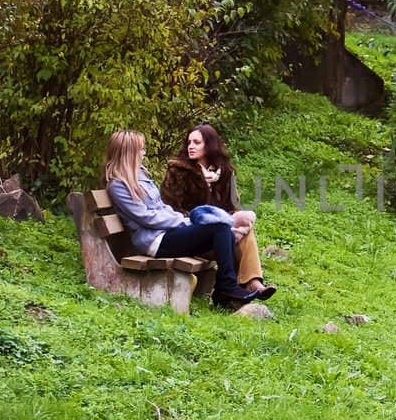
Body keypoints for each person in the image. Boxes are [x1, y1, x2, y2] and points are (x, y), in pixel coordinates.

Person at [102, 130, 257, 311]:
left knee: (224, 231)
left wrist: (182, 219)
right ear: (129, 153)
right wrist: (183, 222)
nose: (143, 153)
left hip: (168, 233)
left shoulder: (140, 176)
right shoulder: (118, 185)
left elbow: (161, 207)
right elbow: (145, 217)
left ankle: (225, 292)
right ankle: (227, 290)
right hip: (155, 241)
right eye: (140, 150)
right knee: (220, 228)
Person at [161, 124, 275, 301]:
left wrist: (232, 221)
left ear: (210, 145)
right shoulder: (179, 171)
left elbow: (233, 207)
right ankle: (247, 285)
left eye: (197, 142)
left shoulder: (225, 172)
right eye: (189, 142)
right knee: (228, 235)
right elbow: (170, 208)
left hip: (221, 234)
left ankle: (249, 285)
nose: (191, 146)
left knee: (244, 229)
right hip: (193, 235)